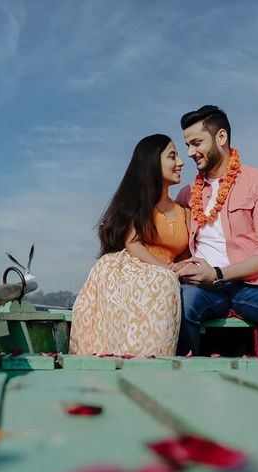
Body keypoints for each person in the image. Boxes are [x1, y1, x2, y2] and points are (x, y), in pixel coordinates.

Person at [173, 105, 258, 358]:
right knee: (177, 306)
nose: (190, 152)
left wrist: (218, 274)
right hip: (200, 288)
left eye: (197, 143)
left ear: (221, 137)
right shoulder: (186, 195)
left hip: (255, 284)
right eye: (187, 145)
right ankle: (182, 387)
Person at [70, 134, 188, 357]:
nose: (180, 162)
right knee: (163, 282)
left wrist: (183, 268)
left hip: (167, 273)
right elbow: (132, 244)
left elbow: (185, 252)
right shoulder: (141, 203)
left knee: (167, 281)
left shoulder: (184, 211)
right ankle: (136, 359)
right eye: (172, 156)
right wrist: (165, 268)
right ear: (152, 162)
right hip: (133, 267)